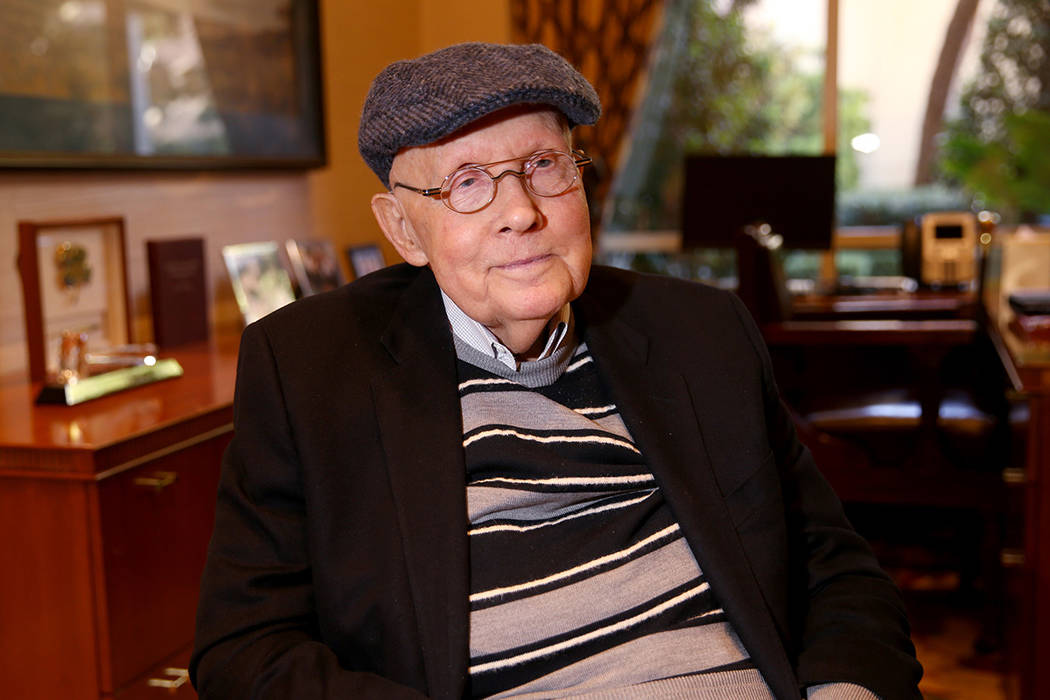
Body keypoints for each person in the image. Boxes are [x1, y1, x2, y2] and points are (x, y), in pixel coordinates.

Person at [191, 42, 922, 699]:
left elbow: (833, 565)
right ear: (403, 228)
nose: (521, 212)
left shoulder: (701, 332)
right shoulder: (310, 370)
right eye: (468, 182)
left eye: (542, 165)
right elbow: (245, 648)